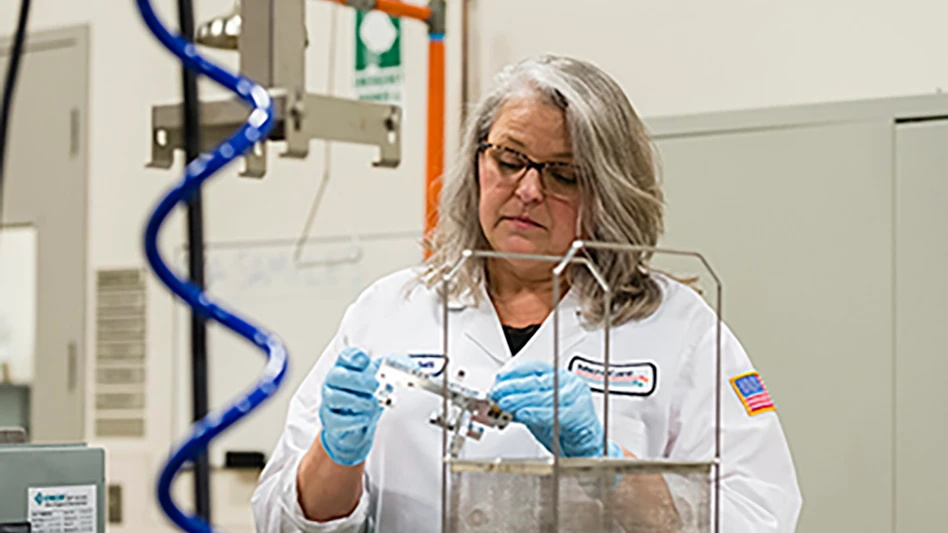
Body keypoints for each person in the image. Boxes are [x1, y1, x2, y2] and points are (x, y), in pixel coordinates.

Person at [251, 54, 802, 532]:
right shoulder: (389, 311)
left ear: (608, 189)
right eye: (510, 160)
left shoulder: (678, 328)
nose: (529, 190)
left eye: (563, 173)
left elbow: (760, 514)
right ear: (477, 162)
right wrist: (336, 452)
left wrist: (604, 465)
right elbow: (280, 520)